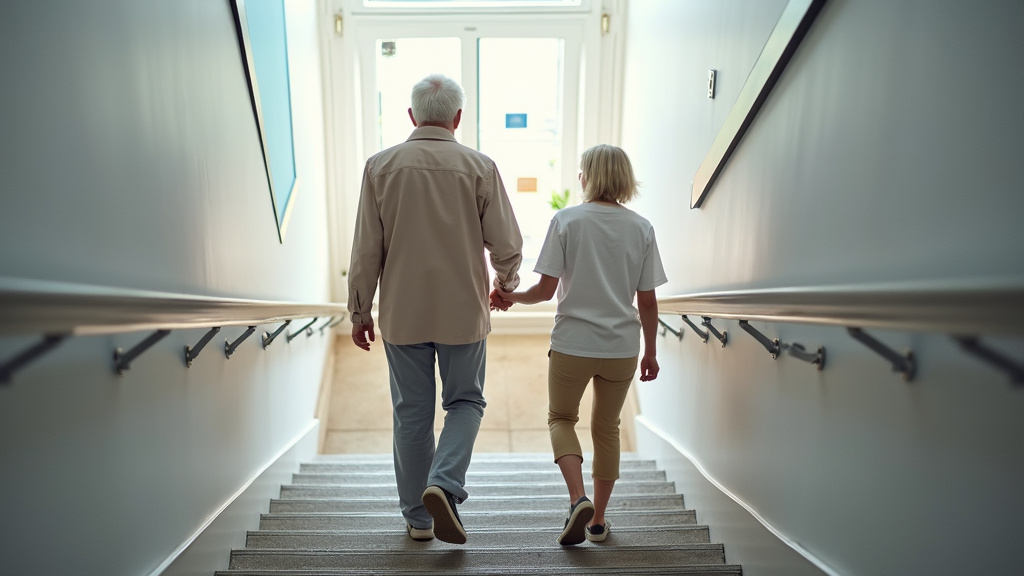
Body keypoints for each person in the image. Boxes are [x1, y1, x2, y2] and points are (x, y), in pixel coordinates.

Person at [347, 73, 523, 545]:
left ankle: (419, 521)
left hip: (402, 313)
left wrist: (360, 311)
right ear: (457, 118)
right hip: (463, 312)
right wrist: (505, 285)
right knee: (465, 402)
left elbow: (366, 250)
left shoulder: (380, 167)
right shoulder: (480, 167)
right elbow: (507, 245)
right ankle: (443, 483)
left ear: (412, 116)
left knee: (411, 413)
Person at [496, 144, 666, 545]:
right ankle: (598, 522)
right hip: (621, 348)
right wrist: (651, 351)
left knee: (561, 419)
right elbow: (647, 301)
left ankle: (578, 499)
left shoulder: (567, 221)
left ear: (587, 176)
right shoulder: (642, 228)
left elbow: (544, 290)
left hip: (573, 343)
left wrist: (509, 297)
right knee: (607, 429)